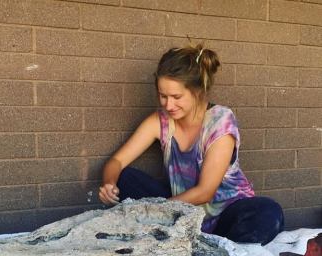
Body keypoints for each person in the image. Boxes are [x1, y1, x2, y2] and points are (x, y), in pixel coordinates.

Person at [99, 44, 284, 245]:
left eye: (177, 97)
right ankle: (179, 236)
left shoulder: (220, 121)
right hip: (183, 212)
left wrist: (156, 210)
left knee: (268, 212)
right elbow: (117, 161)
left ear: (197, 91)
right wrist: (110, 183)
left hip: (225, 215)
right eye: (163, 96)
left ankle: (225, 250)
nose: (168, 105)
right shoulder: (160, 121)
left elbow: (205, 192)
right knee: (126, 178)